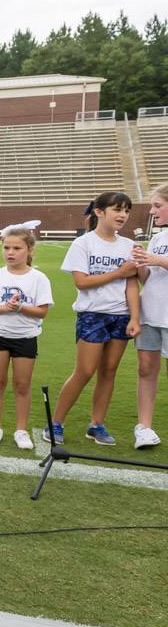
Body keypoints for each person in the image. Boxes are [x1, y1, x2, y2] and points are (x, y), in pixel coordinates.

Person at [47, 192, 140, 447]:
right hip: (92, 315)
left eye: (127, 211)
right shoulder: (84, 244)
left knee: (109, 372)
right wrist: (118, 272)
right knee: (85, 371)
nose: (123, 215)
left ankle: (96, 424)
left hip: (120, 316)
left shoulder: (129, 245)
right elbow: (82, 282)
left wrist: (135, 317)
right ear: (99, 212)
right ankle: (55, 423)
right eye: (117, 209)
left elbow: (132, 285)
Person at [0, 223, 54, 448]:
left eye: (17, 248)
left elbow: (42, 311)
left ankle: (21, 430)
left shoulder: (39, 278)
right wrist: (5, 308)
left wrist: (20, 308)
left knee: (22, 385)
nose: (10, 253)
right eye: (7, 248)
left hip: (25, 338)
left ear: (29, 250)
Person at [129, 183, 168, 449]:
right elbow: (149, 279)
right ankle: (143, 427)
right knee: (146, 369)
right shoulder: (158, 238)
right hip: (151, 311)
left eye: (158, 205)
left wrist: (156, 260)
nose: (153, 211)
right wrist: (140, 263)